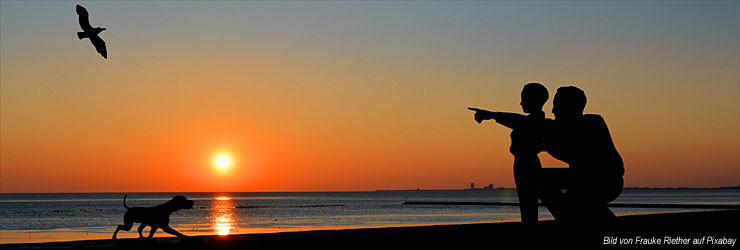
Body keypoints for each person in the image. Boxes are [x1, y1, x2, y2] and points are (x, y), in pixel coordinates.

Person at [539, 86, 624, 226]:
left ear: (570, 107)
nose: (553, 111)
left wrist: (546, 144)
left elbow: (571, 147)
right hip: (583, 180)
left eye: (556, 106)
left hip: (603, 182)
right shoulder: (565, 128)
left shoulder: (592, 123)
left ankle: (569, 222)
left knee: (568, 204)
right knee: (542, 179)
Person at [468, 83, 550, 227]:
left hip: (527, 163)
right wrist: (492, 115)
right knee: (526, 201)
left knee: (528, 201)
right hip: (522, 163)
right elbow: (519, 121)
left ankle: (530, 228)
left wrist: (492, 115)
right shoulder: (531, 121)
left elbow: (519, 121)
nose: (521, 102)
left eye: (524, 98)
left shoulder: (535, 121)